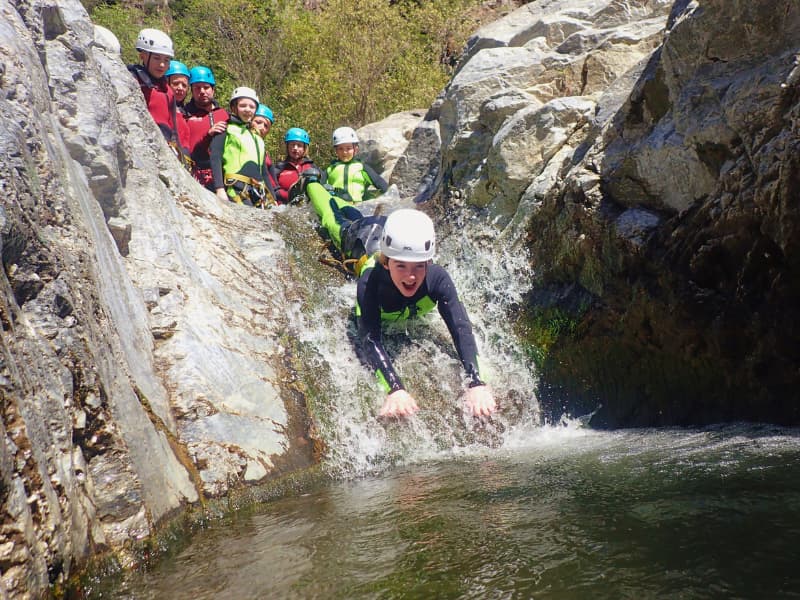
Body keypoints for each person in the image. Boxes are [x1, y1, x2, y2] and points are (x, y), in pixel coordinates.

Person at [300, 171, 497, 418]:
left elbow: (461, 328)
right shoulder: (370, 282)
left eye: (418, 266)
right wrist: (394, 388)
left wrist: (477, 382)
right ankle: (312, 183)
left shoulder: (438, 279)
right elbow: (370, 338)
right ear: (386, 263)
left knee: (351, 210)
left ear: (428, 262)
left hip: (388, 233)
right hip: (363, 237)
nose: (411, 276)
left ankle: (336, 195)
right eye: (401, 266)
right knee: (334, 218)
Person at [127, 28, 190, 162]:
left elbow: (173, 127)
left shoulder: (167, 90)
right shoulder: (132, 80)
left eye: (166, 60)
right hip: (142, 146)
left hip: (164, 150)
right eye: (156, 58)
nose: (162, 64)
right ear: (143, 56)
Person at [209, 86, 276, 207]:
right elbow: (215, 158)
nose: (247, 109)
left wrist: (273, 198)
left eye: (252, 106)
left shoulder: (257, 139)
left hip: (258, 192)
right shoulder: (225, 129)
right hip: (236, 189)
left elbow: (264, 172)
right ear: (234, 107)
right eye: (243, 105)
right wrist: (219, 188)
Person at [183, 65, 229, 190]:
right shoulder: (184, 114)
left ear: (213, 90)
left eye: (206, 87)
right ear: (191, 90)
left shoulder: (224, 115)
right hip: (196, 172)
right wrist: (208, 135)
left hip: (222, 174)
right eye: (197, 88)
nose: (202, 91)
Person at [323, 126, 388, 203]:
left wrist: (388, 193)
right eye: (340, 149)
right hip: (336, 206)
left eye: (348, 148)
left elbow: (378, 181)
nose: (344, 152)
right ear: (336, 151)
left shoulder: (362, 167)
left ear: (355, 149)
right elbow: (319, 187)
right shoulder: (331, 169)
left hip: (357, 207)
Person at [271, 127, 319, 204]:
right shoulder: (279, 168)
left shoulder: (312, 168)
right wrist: (289, 196)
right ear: (287, 147)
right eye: (292, 145)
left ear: (304, 148)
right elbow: (272, 189)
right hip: (283, 208)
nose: (295, 148)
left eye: (299, 145)